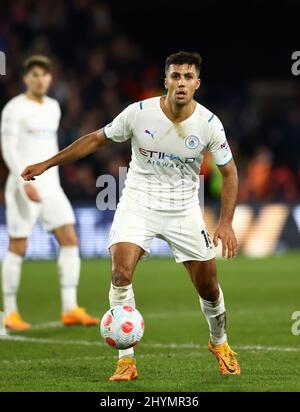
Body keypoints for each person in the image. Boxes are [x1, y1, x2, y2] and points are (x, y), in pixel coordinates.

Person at [21, 51, 240, 379]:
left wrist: (225, 223)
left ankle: (219, 342)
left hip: (183, 210)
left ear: (197, 84)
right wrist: (47, 163)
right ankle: (126, 359)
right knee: (120, 272)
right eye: (175, 76)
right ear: (165, 81)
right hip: (138, 203)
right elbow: (96, 139)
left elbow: (231, 173)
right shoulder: (139, 113)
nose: (181, 82)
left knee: (208, 286)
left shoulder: (209, 124)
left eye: (188, 77)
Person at [1, 55, 99, 330]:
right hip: (24, 184)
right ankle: (9, 311)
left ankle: (70, 308)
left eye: (44, 75)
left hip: (51, 185)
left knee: (69, 238)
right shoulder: (14, 109)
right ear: (25, 79)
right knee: (18, 245)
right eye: (34, 75)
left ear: (50, 78)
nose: (40, 79)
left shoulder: (54, 107)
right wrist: (24, 182)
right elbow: (8, 148)